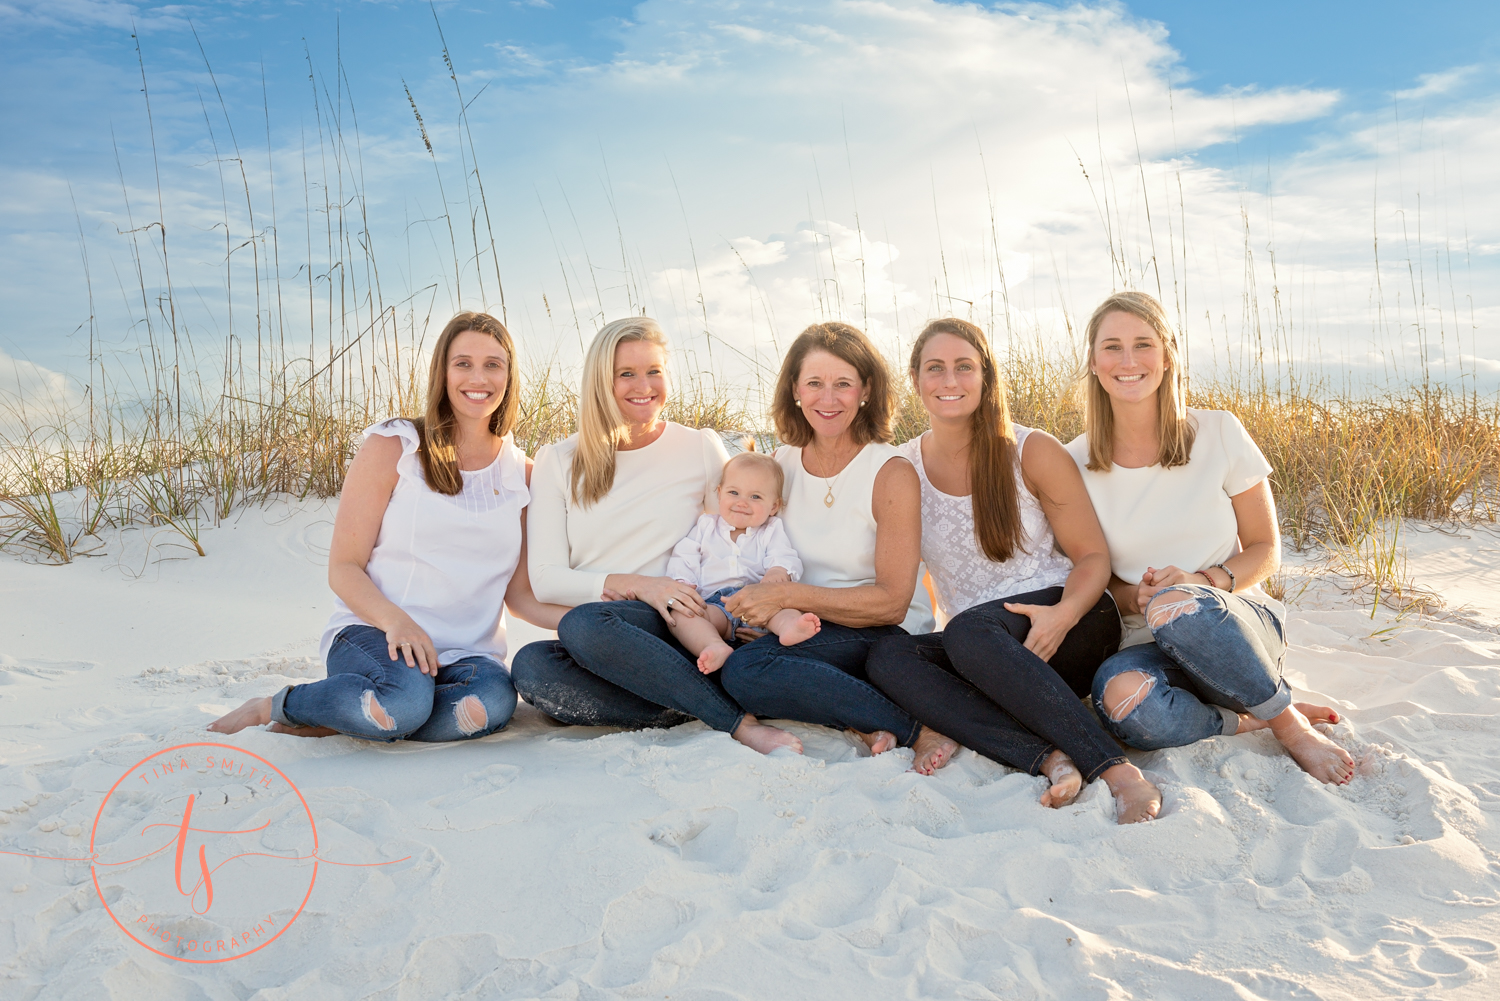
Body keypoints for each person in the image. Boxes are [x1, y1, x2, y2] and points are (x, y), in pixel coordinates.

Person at [208, 312, 565, 741]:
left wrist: (588, 625)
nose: (479, 377)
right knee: (405, 698)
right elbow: (344, 566)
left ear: (509, 376)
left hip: (468, 657)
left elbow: (520, 595)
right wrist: (396, 621)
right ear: (442, 371)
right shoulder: (396, 446)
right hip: (378, 636)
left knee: (489, 707)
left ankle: (361, 716)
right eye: (463, 363)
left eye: (493, 364)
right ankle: (281, 706)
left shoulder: (522, 474)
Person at [865, 319, 1162, 822]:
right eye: (935, 369)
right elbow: (896, 591)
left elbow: (1092, 557)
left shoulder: (1031, 450)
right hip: (983, 648)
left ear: (986, 378)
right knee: (889, 656)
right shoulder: (902, 469)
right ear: (916, 379)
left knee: (967, 633)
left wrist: (1064, 613)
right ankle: (1047, 756)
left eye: (965, 367)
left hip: (1073, 626)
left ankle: (1118, 772)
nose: (950, 381)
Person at [1071, 291, 1352, 784]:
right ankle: (1248, 717)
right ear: (1093, 362)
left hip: (1236, 624)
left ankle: (1289, 725)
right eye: (1112, 347)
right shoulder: (1075, 462)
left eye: (1144, 344)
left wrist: (1202, 581)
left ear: (1168, 356)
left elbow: (1266, 550)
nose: (1129, 360)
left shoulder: (1219, 432)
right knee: (1120, 703)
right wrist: (1134, 595)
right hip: (1146, 638)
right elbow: (1085, 571)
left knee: (1179, 604)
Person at [511, 317, 801, 755]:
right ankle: (693, 701)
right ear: (600, 382)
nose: (643, 385)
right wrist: (643, 587)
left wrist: (754, 600)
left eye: (654, 371)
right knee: (533, 667)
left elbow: (735, 529)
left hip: (685, 622)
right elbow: (548, 578)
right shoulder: (560, 460)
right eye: (626, 373)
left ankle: (734, 722)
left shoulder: (699, 446)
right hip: (613, 631)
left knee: (586, 621)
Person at [717, 322, 953, 763]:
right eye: (815, 384)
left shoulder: (890, 470)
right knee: (730, 657)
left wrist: (782, 597)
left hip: (880, 631)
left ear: (865, 389)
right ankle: (857, 719)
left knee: (749, 672)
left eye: (843, 384)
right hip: (803, 626)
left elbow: (893, 602)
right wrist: (762, 612)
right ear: (795, 390)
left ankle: (917, 730)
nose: (828, 399)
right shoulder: (780, 462)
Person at [664, 449, 822, 675]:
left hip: (761, 603)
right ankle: (713, 645)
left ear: (774, 506)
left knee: (787, 611)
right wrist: (683, 582)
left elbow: (785, 555)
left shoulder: (771, 530)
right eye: (734, 492)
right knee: (683, 616)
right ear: (719, 494)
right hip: (715, 605)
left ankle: (789, 628)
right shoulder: (706, 526)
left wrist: (778, 570)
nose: (742, 502)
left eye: (755, 497)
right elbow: (685, 555)